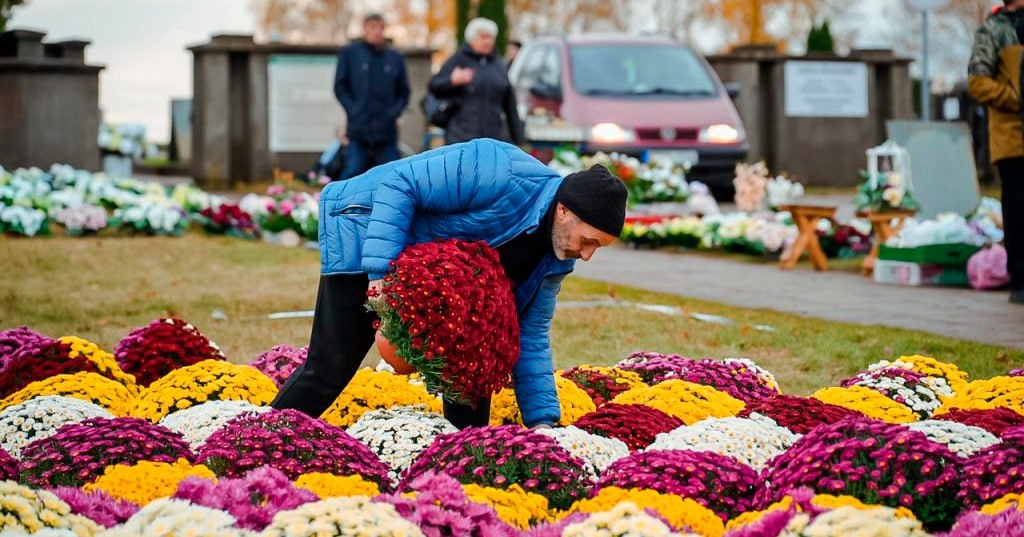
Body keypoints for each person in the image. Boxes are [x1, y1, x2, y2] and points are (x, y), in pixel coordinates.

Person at [271, 138, 627, 429]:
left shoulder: (556, 260)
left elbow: (530, 336)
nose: (587, 255)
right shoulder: (499, 168)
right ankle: (262, 439)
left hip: (433, 283)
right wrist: (379, 279)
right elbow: (400, 185)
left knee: (475, 365)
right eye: (589, 241)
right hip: (365, 232)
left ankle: (459, 462)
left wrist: (543, 423)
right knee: (330, 368)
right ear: (564, 210)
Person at [968, 0, 1024, 304]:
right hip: (1013, 137)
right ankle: (1020, 281)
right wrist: (1015, 97)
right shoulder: (994, 30)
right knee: (1018, 210)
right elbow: (978, 82)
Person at [333, 13, 410, 180]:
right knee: (352, 174)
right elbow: (340, 87)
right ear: (364, 29)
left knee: (393, 176)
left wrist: (392, 113)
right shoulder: (350, 54)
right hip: (358, 132)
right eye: (372, 27)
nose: (377, 31)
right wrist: (355, 110)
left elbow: (404, 92)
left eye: (380, 27)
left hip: (386, 133)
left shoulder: (395, 57)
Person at [428, 18, 524, 146]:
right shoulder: (458, 60)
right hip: (460, 137)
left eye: (490, 37)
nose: (487, 41)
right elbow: (434, 86)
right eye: (483, 37)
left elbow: (510, 104)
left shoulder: (499, 66)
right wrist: (452, 80)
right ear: (471, 39)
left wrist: (518, 139)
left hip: (493, 137)